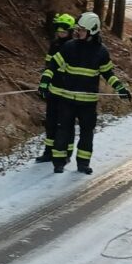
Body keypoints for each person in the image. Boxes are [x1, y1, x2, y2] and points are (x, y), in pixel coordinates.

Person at [40, 12, 131, 174]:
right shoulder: (69, 47)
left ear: (92, 30)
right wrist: (45, 81)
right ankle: (58, 162)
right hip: (67, 99)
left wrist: (120, 89)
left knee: (86, 133)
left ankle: (83, 164)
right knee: (63, 130)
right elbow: (52, 65)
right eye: (78, 29)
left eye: (81, 30)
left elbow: (108, 74)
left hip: (88, 103)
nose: (77, 32)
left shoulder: (101, 52)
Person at [36, 13, 75, 162]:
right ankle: (48, 152)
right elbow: (48, 64)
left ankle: (66, 153)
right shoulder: (55, 44)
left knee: (66, 124)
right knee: (51, 123)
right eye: (59, 31)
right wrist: (45, 83)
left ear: (70, 31)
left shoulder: (74, 46)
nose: (61, 34)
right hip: (53, 90)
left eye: (64, 31)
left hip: (68, 92)